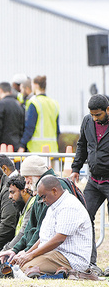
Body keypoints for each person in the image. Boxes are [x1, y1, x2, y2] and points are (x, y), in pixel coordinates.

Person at [16, 176, 92, 279]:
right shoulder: (54, 204)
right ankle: (59, 273)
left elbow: (59, 239)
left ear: (54, 191)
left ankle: (68, 273)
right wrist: (27, 253)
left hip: (70, 258)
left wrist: (32, 255)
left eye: (44, 196)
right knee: (20, 264)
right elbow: (44, 238)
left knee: (24, 268)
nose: (43, 200)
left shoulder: (68, 206)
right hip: (56, 254)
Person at [70, 94, 109, 274]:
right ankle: (90, 263)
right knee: (85, 218)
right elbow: (82, 145)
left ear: (107, 110)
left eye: (98, 115)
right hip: (94, 180)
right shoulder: (87, 122)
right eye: (92, 115)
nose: (95, 118)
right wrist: (76, 168)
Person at [18, 75, 60, 153]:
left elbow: (30, 127)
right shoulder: (54, 103)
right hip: (53, 149)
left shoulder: (34, 102)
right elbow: (57, 130)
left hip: (36, 149)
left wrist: (22, 145)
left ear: (36, 85)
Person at [0, 82, 24, 152]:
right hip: (16, 145)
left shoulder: (0, 104)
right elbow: (22, 126)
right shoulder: (18, 104)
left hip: (3, 146)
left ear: (0, 90)